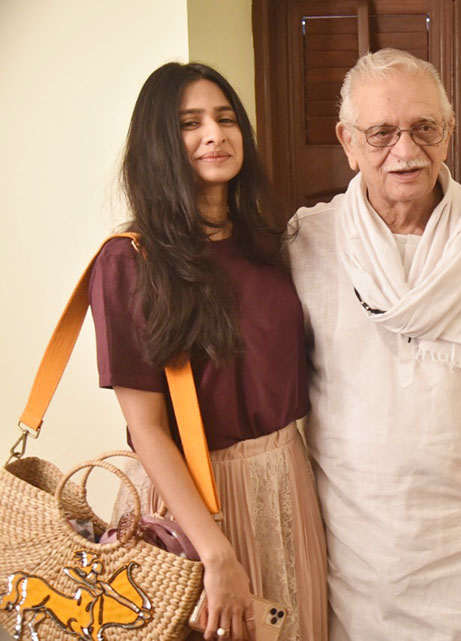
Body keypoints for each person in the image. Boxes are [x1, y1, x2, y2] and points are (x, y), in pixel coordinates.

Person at [286, 48, 461, 641]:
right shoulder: (309, 242)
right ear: (347, 140)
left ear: (449, 132)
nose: (406, 150)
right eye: (382, 132)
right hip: (365, 542)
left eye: (424, 127)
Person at [89, 62, 327, 641]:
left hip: (285, 476)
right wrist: (213, 551)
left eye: (225, 119)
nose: (214, 134)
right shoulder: (131, 260)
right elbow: (145, 428)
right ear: (157, 144)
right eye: (189, 124)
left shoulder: (270, 245)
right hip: (194, 496)